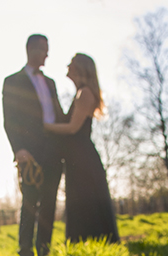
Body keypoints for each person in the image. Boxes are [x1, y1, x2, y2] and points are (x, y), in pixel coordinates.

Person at [2, 34, 65, 256]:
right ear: (30, 49)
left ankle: (44, 254)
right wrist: (19, 149)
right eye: (42, 50)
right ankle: (25, 255)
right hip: (30, 150)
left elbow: (57, 115)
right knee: (30, 201)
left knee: (50, 202)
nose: (46, 55)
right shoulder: (12, 81)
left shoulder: (50, 83)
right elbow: (10, 119)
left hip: (53, 148)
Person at [44, 53, 120, 245]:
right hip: (78, 158)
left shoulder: (85, 93)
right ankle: (84, 242)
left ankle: (92, 242)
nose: (67, 66)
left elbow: (72, 128)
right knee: (81, 199)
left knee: (86, 199)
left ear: (79, 68)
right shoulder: (81, 92)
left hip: (83, 159)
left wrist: (44, 126)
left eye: (71, 63)